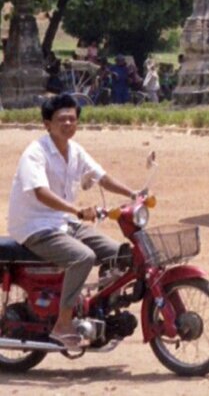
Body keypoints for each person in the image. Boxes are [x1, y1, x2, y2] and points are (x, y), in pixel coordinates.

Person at [7, 94, 138, 352]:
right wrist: (77, 210)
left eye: (72, 119)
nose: (68, 123)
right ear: (47, 124)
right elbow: (40, 193)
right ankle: (62, 324)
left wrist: (133, 194)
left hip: (64, 222)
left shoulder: (75, 151)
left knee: (119, 254)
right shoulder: (36, 152)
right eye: (61, 119)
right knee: (82, 257)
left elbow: (101, 177)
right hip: (35, 226)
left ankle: (100, 309)